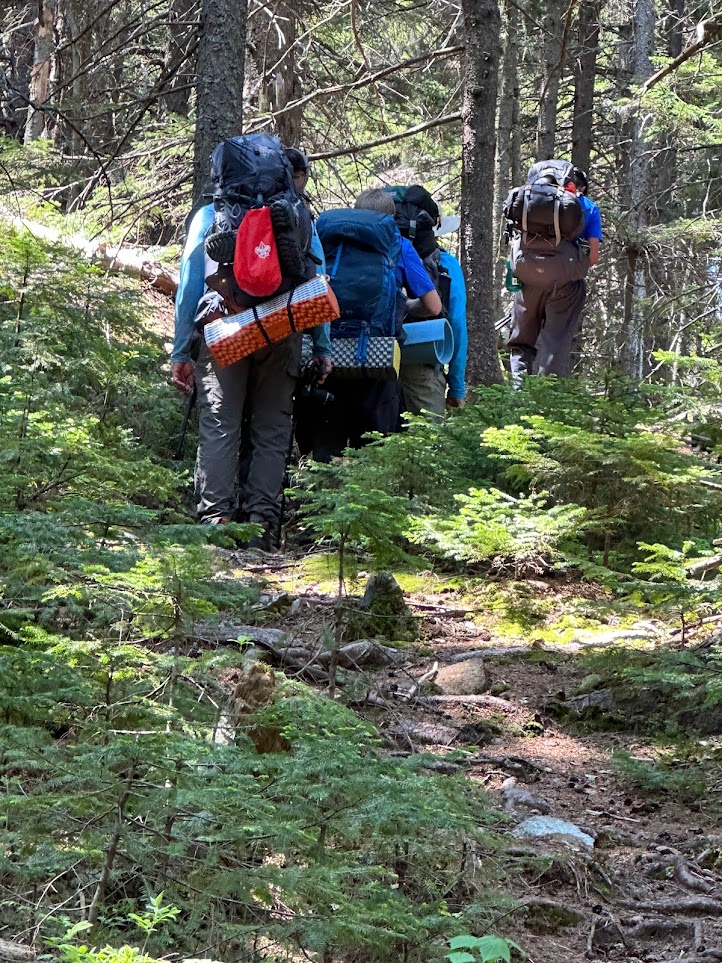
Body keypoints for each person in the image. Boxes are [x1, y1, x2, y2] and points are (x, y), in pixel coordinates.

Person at [171, 146, 332, 546]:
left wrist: (179, 351)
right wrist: (322, 345)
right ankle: (261, 526)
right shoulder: (297, 216)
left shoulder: (211, 216)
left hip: (223, 326)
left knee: (220, 425)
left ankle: (216, 525)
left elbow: (191, 282)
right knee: (272, 428)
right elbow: (317, 279)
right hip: (282, 327)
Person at [301, 188, 441, 461]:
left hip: (325, 354)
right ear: (391, 218)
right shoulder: (398, 244)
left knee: (326, 444)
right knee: (375, 449)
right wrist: (404, 307)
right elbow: (433, 306)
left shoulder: (326, 240)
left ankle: (319, 498)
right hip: (375, 358)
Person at [506, 163, 600, 381]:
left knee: (521, 342)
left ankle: (517, 397)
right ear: (580, 187)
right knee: (554, 344)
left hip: (527, 279)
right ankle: (545, 402)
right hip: (565, 284)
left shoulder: (527, 201)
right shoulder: (587, 207)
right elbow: (593, 257)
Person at [389, 185, 468, 414]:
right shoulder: (445, 264)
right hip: (421, 360)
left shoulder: (376, 255)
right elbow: (457, 327)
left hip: (371, 357)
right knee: (428, 442)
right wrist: (456, 388)